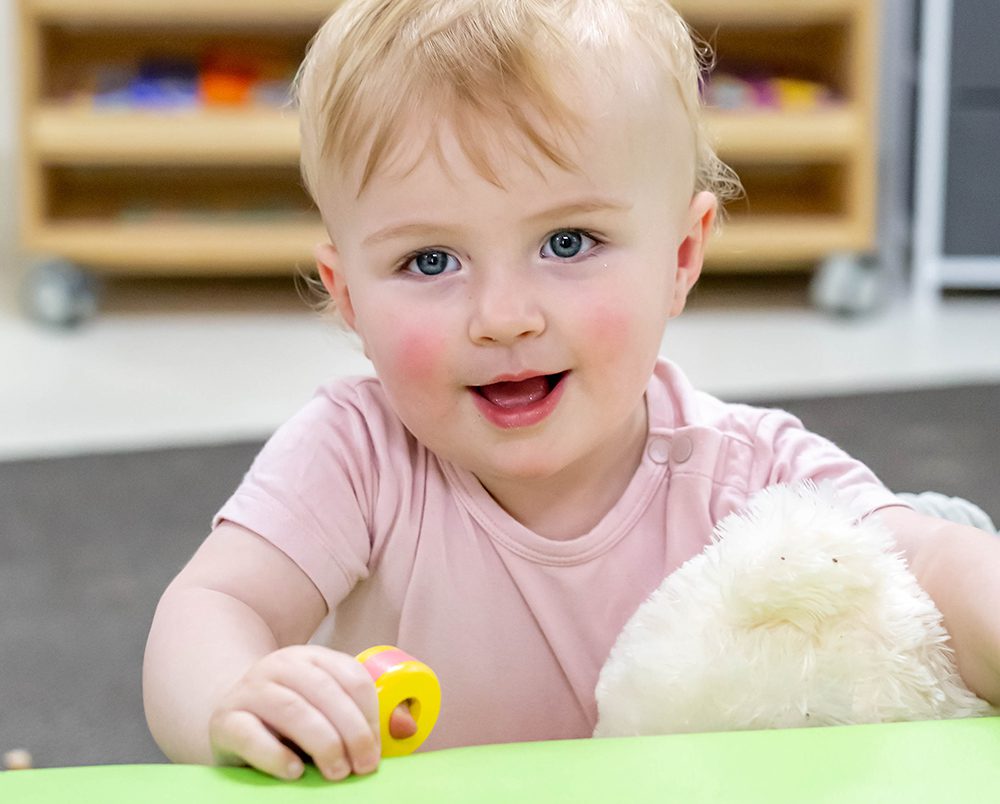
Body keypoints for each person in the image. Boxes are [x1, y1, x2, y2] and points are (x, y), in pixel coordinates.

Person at [142, 0, 1000, 784]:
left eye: (568, 242)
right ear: (350, 297)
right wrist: (234, 695)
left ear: (679, 256)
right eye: (430, 260)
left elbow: (925, 564)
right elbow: (215, 605)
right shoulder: (356, 455)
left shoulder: (743, 472)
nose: (503, 317)